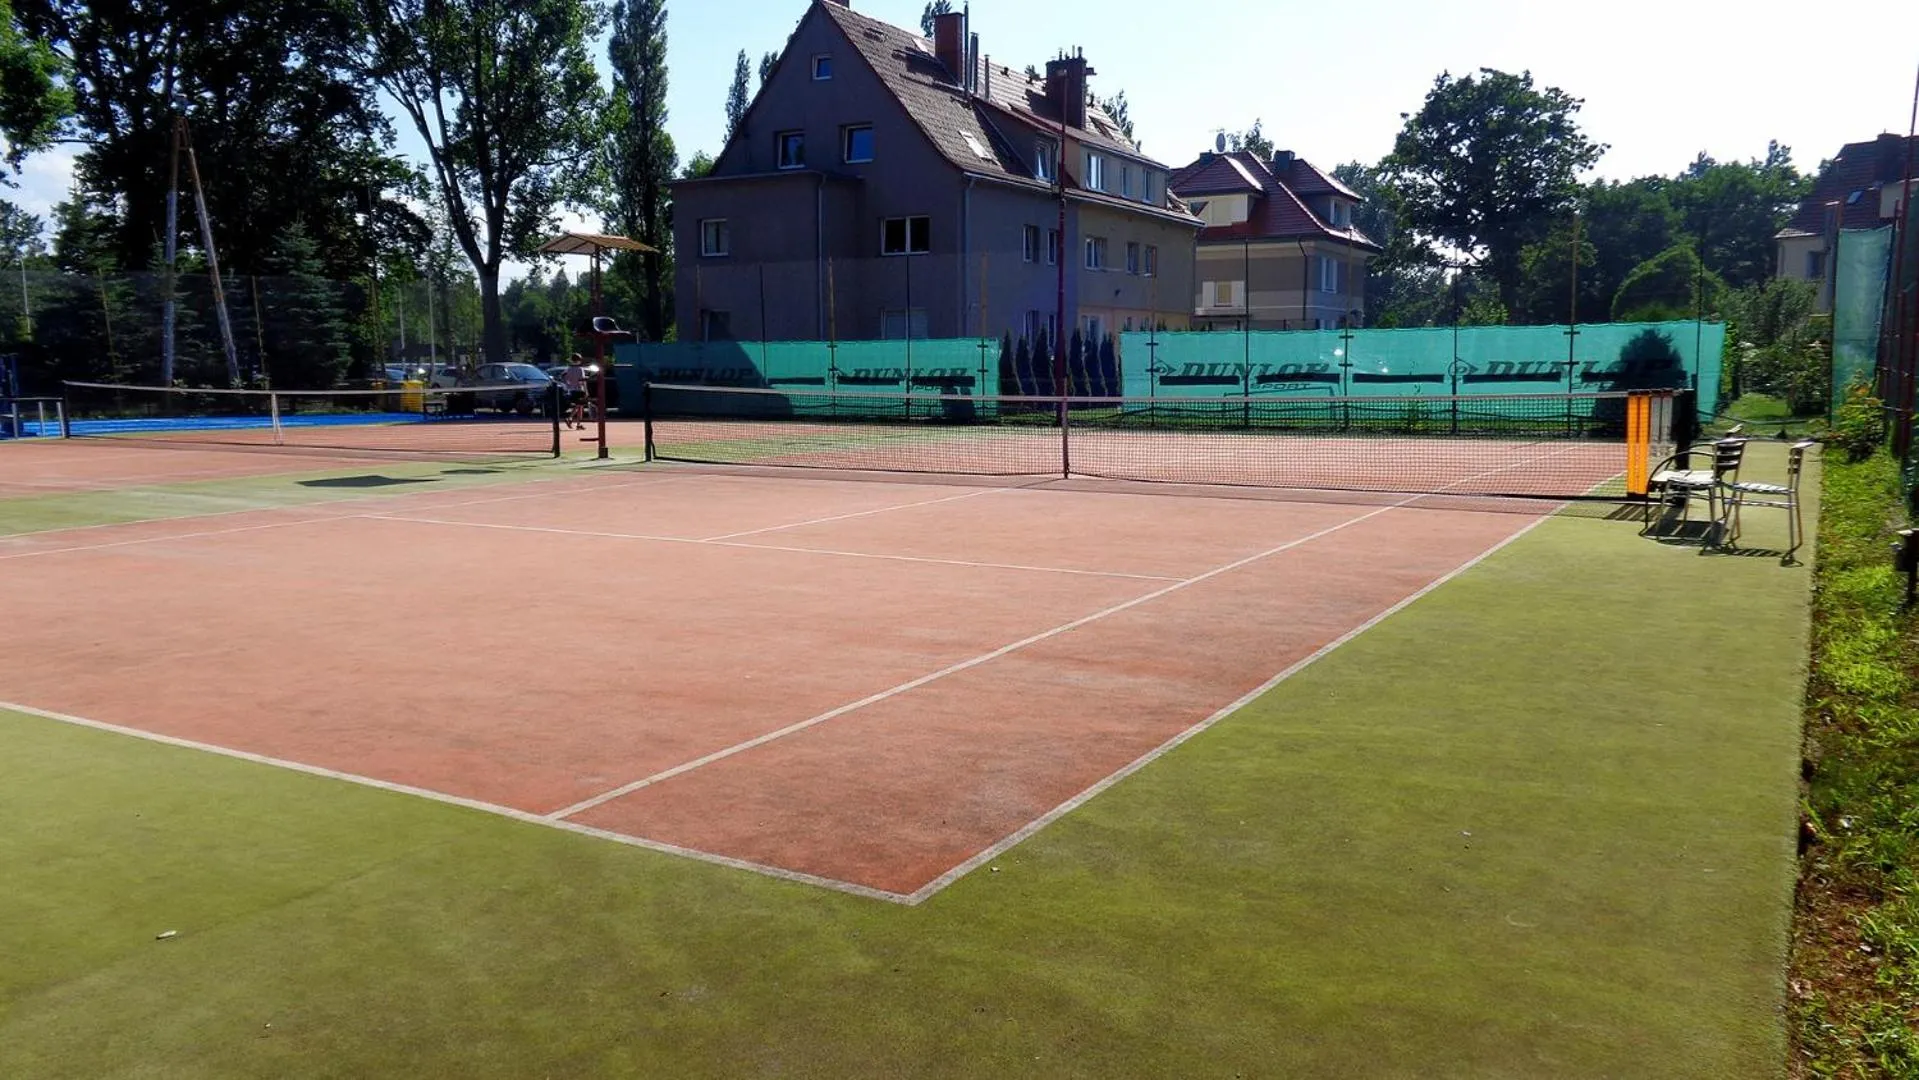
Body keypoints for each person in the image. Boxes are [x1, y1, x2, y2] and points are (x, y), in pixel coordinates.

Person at [562, 354, 589, 429]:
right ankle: (571, 419)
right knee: (579, 405)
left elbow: (564, 377)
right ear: (579, 360)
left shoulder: (568, 369)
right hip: (579, 390)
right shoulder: (580, 369)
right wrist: (586, 391)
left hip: (571, 390)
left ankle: (577, 423)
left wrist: (568, 385)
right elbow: (583, 380)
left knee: (578, 406)